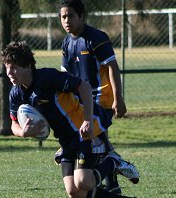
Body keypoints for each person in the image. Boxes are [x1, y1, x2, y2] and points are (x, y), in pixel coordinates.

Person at [1, 41, 137, 198]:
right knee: (74, 193)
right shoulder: (16, 94)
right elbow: (14, 124)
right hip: (66, 140)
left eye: (14, 67)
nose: (9, 72)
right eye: (7, 67)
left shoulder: (47, 78)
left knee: (84, 182)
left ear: (27, 66)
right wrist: (23, 132)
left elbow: (84, 87)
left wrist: (87, 121)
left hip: (84, 132)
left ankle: (113, 162)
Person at [56, 0, 139, 194]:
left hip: (102, 99)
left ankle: (111, 161)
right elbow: (65, 75)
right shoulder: (67, 43)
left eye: (70, 16)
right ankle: (111, 181)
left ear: (82, 16)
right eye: (63, 17)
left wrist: (118, 98)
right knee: (95, 143)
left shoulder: (96, 38)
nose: (66, 20)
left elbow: (113, 67)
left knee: (90, 136)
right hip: (81, 101)